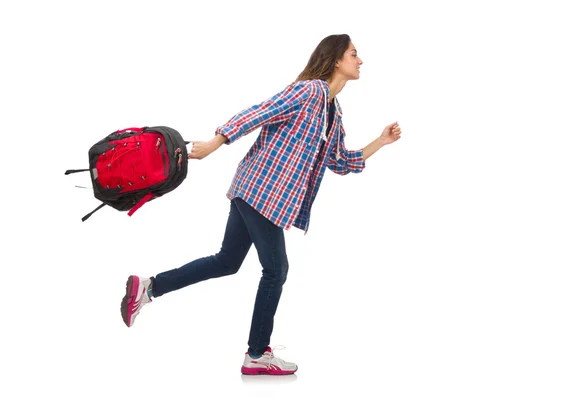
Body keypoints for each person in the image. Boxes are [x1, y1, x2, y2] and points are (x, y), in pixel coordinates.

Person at [121, 34, 402, 375]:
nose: (360, 61)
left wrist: (382, 142)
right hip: (262, 191)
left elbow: (341, 161)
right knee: (276, 270)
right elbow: (261, 112)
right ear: (336, 59)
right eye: (354, 54)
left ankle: (149, 287)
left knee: (226, 261)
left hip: (255, 191)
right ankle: (257, 353)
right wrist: (214, 143)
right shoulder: (309, 91)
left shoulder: (332, 111)